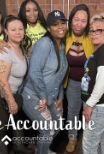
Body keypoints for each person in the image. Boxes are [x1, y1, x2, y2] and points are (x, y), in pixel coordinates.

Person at [0, 15, 34, 154]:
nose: (18, 32)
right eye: (13, 29)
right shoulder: (5, 51)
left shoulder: (21, 48)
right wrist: (11, 102)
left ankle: (19, 147)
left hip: (13, 92)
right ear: (6, 31)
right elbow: (1, 80)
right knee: (1, 127)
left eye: (20, 29)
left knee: (17, 120)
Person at [21, 10, 68, 154]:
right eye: (55, 25)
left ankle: (42, 149)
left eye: (62, 23)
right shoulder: (44, 44)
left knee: (59, 124)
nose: (60, 27)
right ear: (48, 28)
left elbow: (59, 74)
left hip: (50, 97)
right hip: (33, 96)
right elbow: (34, 72)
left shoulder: (61, 45)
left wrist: (60, 96)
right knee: (47, 129)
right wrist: (43, 96)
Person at [65, 4, 94, 153]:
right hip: (71, 82)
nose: (79, 24)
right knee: (72, 111)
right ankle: (72, 138)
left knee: (88, 111)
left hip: (90, 84)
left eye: (83, 20)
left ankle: (88, 140)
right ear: (71, 20)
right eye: (76, 19)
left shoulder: (92, 36)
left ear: (88, 22)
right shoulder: (65, 35)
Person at [81, 14, 104, 154]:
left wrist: (89, 104)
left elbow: (102, 81)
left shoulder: (103, 51)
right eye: (92, 30)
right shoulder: (99, 50)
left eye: (99, 30)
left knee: (89, 144)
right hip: (98, 105)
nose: (94, 33)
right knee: (101, 141)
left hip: (97, 107)